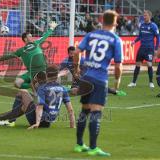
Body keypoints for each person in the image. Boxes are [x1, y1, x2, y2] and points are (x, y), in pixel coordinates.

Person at [73, 10, 123, 156]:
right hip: (100, 79)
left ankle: (79, 144)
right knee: (96, 113)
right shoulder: (115, 39)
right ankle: (93, 147)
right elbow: (118, 65)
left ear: (102, 20)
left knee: (84, 111)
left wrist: (76, 69)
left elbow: (77, 52)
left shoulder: (90, 35)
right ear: (115, 23)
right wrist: (117, 81)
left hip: (86, 77)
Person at [0, 65, 75, 129]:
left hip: (39, 120)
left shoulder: (43, 88)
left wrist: (37, 123)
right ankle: (5, 119)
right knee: (24, 106)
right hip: (48, 122)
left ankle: (8, 120)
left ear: (47, 75)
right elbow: (70, 109)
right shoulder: (62, 88)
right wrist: (72, 125)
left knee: (23, 92)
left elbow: (39, 107)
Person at [0, 21, 58, 90]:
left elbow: (45, 36)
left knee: (51, 83)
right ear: (25, 39)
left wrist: (51, 28)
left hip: (42, 70)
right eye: (30, 36)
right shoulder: (21, 50)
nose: (32, 37)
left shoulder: (36, 43)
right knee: (17, 83)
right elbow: (9, 56)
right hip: (31, 72)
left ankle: (44, 87)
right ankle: (32, 85)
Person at [59, 46, 126, 96]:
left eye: (74, 53)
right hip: (72, 81)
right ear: (68, 53)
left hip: (82, 79)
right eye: (71, 53)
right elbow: (60, 72)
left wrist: (81, 74)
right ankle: (67, 90)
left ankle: (115, 92)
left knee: (97, 86)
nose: (73, 55)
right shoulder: (65, 61)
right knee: (71, 89)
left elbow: (89, 69)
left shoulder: (82, 60)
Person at [128, 10, 160, 88]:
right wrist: (134, 42)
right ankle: (133, 82)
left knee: (149, 64)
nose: (144, 17)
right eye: (143, 15)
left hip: (149, 49)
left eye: (145, 15)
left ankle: (151, 82)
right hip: (142, 48)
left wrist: (156, 49)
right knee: (137, 64)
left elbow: (158, 37)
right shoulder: (142, 25)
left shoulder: (153, 26)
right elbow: (140, 36)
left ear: (149, 16)